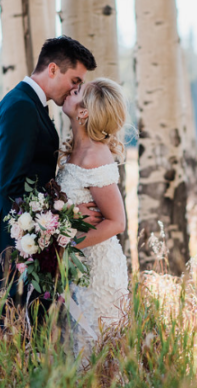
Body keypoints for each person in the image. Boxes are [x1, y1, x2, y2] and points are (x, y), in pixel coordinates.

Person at [0, 36, 100, 298]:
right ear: (53, 69)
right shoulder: (22, 108)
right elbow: (9, 184)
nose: (76, 89)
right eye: (75, 80)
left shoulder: (24, 102)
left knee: (23, 332)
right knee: (23, 333)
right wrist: (67, 214)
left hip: (18, 242)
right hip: (18, 250)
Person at [56, 77, 130, 361]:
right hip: (78, 268)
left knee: (93, 349)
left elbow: (116, 222)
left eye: (77, 92)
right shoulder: (75, 149)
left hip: (97, 269)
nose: (70, 91)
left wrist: (68, 245)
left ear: (84, 112)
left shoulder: (96, 157)